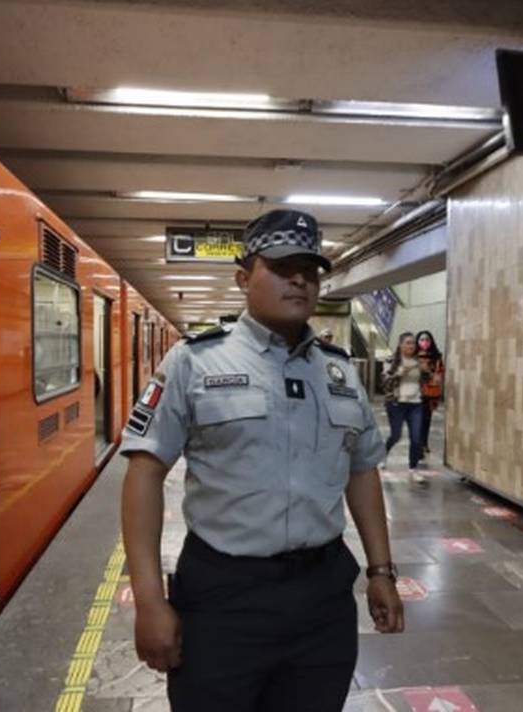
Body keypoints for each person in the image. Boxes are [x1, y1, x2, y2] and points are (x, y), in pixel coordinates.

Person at [120, 209, 404, 712]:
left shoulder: (339, 373)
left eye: (310, 270)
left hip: (322, 598)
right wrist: (148, 599)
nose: (299, 278)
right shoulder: (194, 361)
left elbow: (362, 470)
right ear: (243, 277)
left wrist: (380, 570)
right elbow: (144, 472)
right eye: (280, 266)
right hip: (223, 598)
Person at [380, 332, 424, 469]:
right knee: (396, 435)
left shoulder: (419, 360)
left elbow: (426, 378)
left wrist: (428, 373)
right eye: (408, 343)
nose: (412, 346)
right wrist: (398, 373)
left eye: (413, 343)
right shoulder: (391, 360)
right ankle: (383, 454)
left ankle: (413, 468)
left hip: (416, 404)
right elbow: (384, 382)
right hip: (396, 403)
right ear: (401, 345)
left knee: (416, 438)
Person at [416, 330, 445, 460]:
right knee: (418, 419)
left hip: (431, 392)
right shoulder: (413, 356)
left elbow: (440, 374)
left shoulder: (436, 357)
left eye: (427, 340)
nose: (424, 342)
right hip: (416, 392)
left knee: (426, 419)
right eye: (421, 339)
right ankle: (418, 444)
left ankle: (424, 443)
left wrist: (432, 374)